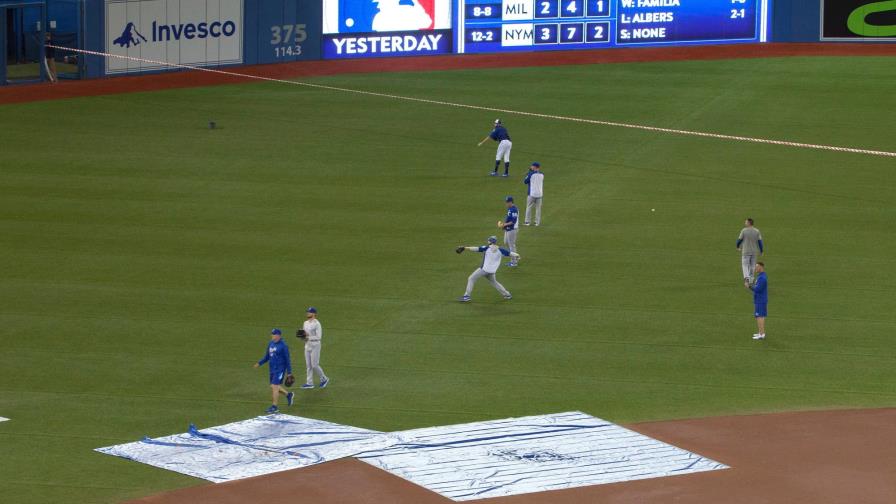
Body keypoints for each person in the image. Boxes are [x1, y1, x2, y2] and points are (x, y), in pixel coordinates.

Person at [456, 236, 520, 302]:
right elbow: (511, 253)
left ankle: (466, 296)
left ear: (490, 241)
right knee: (494, 282)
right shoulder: (501, 250)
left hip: (484, 270)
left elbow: (476, 248)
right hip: (492, 271)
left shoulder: (486, 248)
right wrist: (517, 256)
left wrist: (464, 248)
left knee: (471, 278)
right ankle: (507, 294)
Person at [253, 328, 294, 413]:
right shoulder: (270, 344)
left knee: (275, 387)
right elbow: (267, 357)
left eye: (274, 334)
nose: (272, 335)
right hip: (272, 369)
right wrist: (259, 363)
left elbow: (287, 360)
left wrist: (289, 373)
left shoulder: (283, 346)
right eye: (272, 334)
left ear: (278, 335)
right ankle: (288, 395)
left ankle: (274, 406)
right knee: (273, 386)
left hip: (280, 369)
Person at [301, 307, 329, 389]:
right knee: (308, 365)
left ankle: (324, 378)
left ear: (314, 314)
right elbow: (304, 334)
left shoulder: (317, 323)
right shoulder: (305, 323)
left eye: (309, 312)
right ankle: (309, 383)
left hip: (315, 346)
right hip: (307, 345)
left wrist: (308, 338)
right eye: (307, 312)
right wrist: (302, 337)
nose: (307, 313)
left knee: (314, 365)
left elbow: (319, 337)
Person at [737, 218, 764, 287]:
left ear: (749, 223)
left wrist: (737, 246)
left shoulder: (744, 230)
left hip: (746, 251)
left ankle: (746, 279)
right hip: (754, 252)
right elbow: (760, 242)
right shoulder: (757, 231)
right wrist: (761, 250)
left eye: (746, 222)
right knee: (752, 266)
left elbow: (739, 240)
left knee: (745, 265)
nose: (745, 223)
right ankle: (751, 281)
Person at [747, 262, 768, 340]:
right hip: (759, 300)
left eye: (757, 267)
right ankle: (760, 332)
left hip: (761, 300)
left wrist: (749, 286)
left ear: (761, 267)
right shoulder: (760, 276)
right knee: (758, 316)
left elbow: (758, 289)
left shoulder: (762, 278)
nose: (755, 268)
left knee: (760, 317)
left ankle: (762, 334)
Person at [499, 196, 520, 267]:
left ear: (511, 202)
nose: (506, 204)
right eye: (506, 202)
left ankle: (514, 262)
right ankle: (515, 256)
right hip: (508, 229)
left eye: (507, 202)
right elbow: (508, 219)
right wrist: (504, 226)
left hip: (512, 229)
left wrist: (504, 224)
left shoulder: (514, 210)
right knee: (506, 242)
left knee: (511, 245)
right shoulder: (510, 209)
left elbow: (513, 221)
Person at [523, 162, 544, 226]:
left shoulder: (531, 174)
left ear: (535, 167)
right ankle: (537, 222)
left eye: (532, 166)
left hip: (531, 194)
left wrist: (528, 174)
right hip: (540, 194)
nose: (531, 167)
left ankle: (527, 222)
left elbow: (525, 181)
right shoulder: (542, 175)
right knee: (538, 208)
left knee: (529, 207)